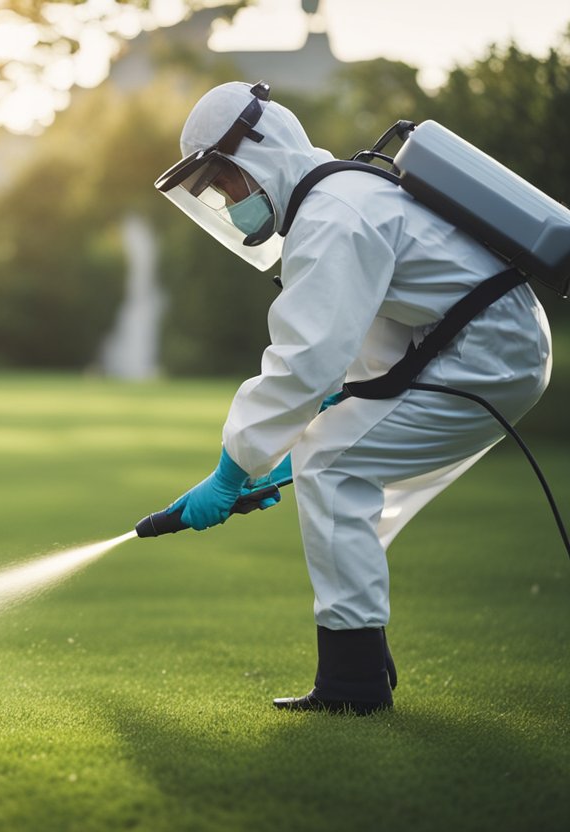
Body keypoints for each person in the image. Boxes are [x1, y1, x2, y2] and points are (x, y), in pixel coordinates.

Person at [153, 81, 552, 714]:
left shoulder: (334, 214)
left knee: (333, 468)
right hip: (484, 346)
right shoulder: (340, 196)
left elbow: (304, 359)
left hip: (491, 354)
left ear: (258, 153)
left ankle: (355, 681)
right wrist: (288, 449)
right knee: (329, 463)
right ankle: (362, 659)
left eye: (225, 182)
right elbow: (360, 347)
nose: (228, 200)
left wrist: (234, 469)